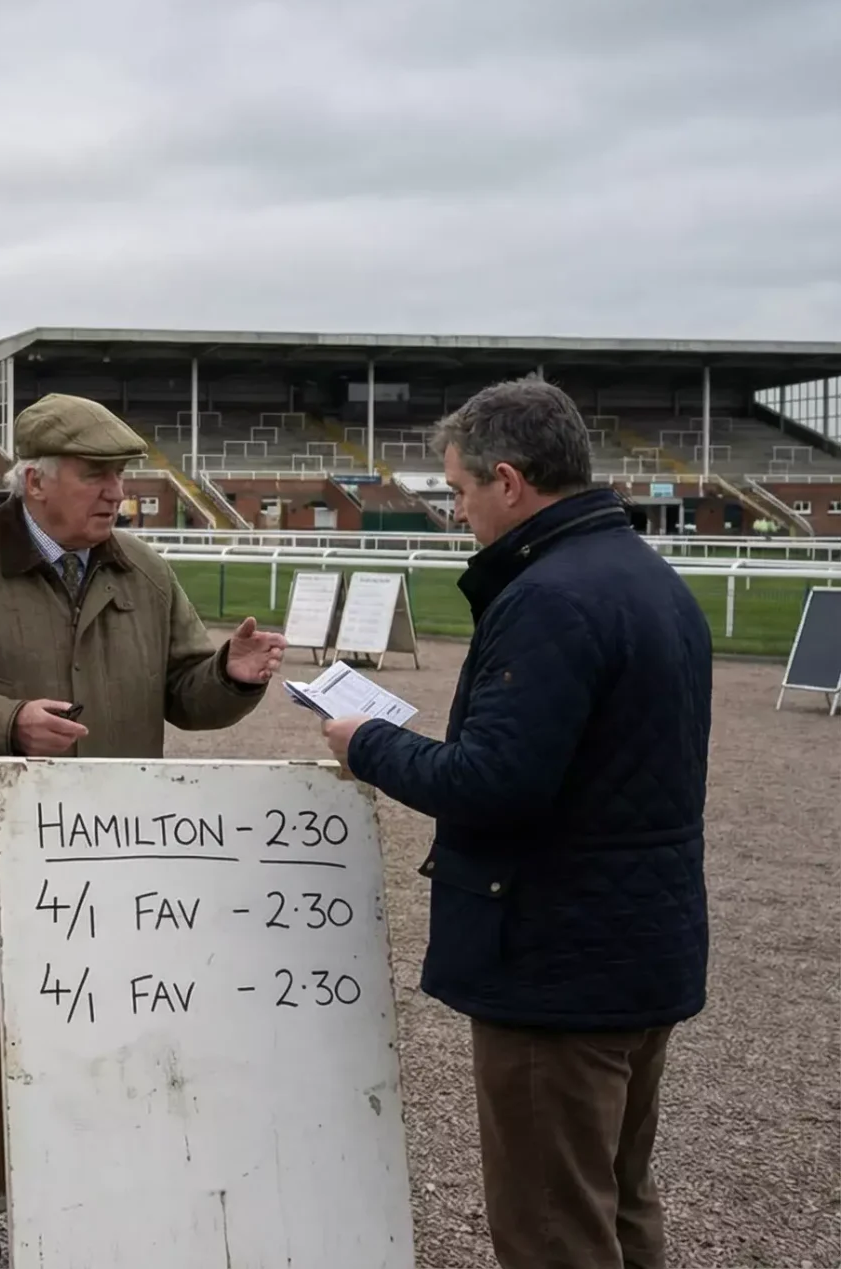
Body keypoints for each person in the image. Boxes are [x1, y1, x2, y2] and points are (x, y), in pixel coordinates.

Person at [0, 393, 287, 1267]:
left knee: (112, 1063)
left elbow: (184, 692)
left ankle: (95, 1227)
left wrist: (229, 673)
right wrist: (6, 722)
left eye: (120, 476)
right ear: (35, 480)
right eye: (96, 475)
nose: (115, 494)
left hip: (116, 886)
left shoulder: (143, 571)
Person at [321, 379, 709, 1269]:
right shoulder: (653, 581)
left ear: (509, 480)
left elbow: (495, 782)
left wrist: (368, 744)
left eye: (457, 491)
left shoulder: (546, 598)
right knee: (619, 1205)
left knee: (551, 1228)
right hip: (642, 944)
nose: (456, 511)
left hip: (556, 965)